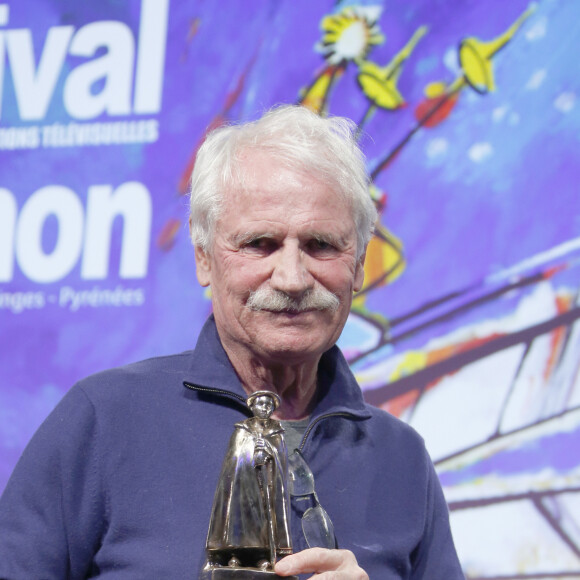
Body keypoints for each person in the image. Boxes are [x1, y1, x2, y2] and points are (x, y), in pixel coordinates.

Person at [0, 105, 465, 579]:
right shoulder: (103, 420)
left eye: (321, 245)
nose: (292, 278)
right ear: (204, 258)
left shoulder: (402, 458)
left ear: (360, 264)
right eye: (260, 244)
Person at [203, 391, 293, 572]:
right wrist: (252, 454)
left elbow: (281, 461)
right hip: (242, 487)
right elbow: (234, 459)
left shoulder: (277, 432)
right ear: (252, 407)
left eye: (269, 405)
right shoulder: (242, 430)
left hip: (266, 485)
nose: (265, 408)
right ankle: (234, 555)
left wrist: (269, 453)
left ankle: (262, 557)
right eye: (261, 404)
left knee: (264, 524)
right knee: (239, 522)